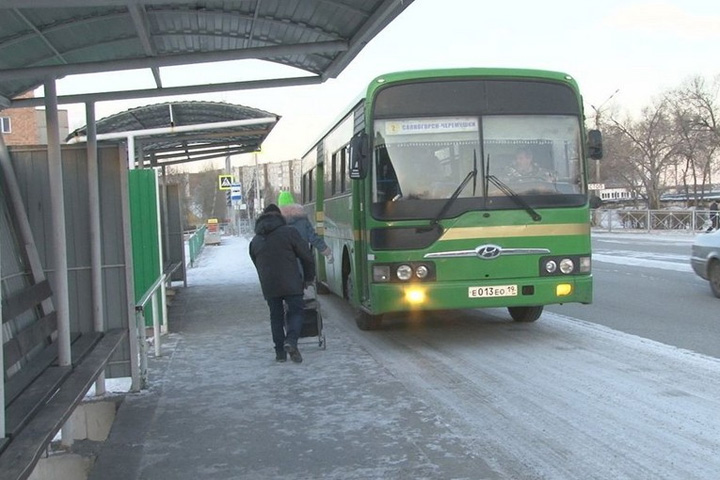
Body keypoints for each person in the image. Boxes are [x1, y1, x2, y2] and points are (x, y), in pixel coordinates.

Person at [249, 203, 316, 363]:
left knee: (276, 316)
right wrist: (308, 277)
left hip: (270, 285)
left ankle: (280, 353)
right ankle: (291, 341)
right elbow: (306, 256)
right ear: (280, 217)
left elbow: (256, 263)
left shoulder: (255, 241)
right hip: (291, 282)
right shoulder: (289, 232)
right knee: (296, 312)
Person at [277, 191, 333, 264]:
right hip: (301, 260)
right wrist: (327, 252)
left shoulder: (277, 222)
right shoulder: (302, 220)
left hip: (283, 262)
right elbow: (313, 238)